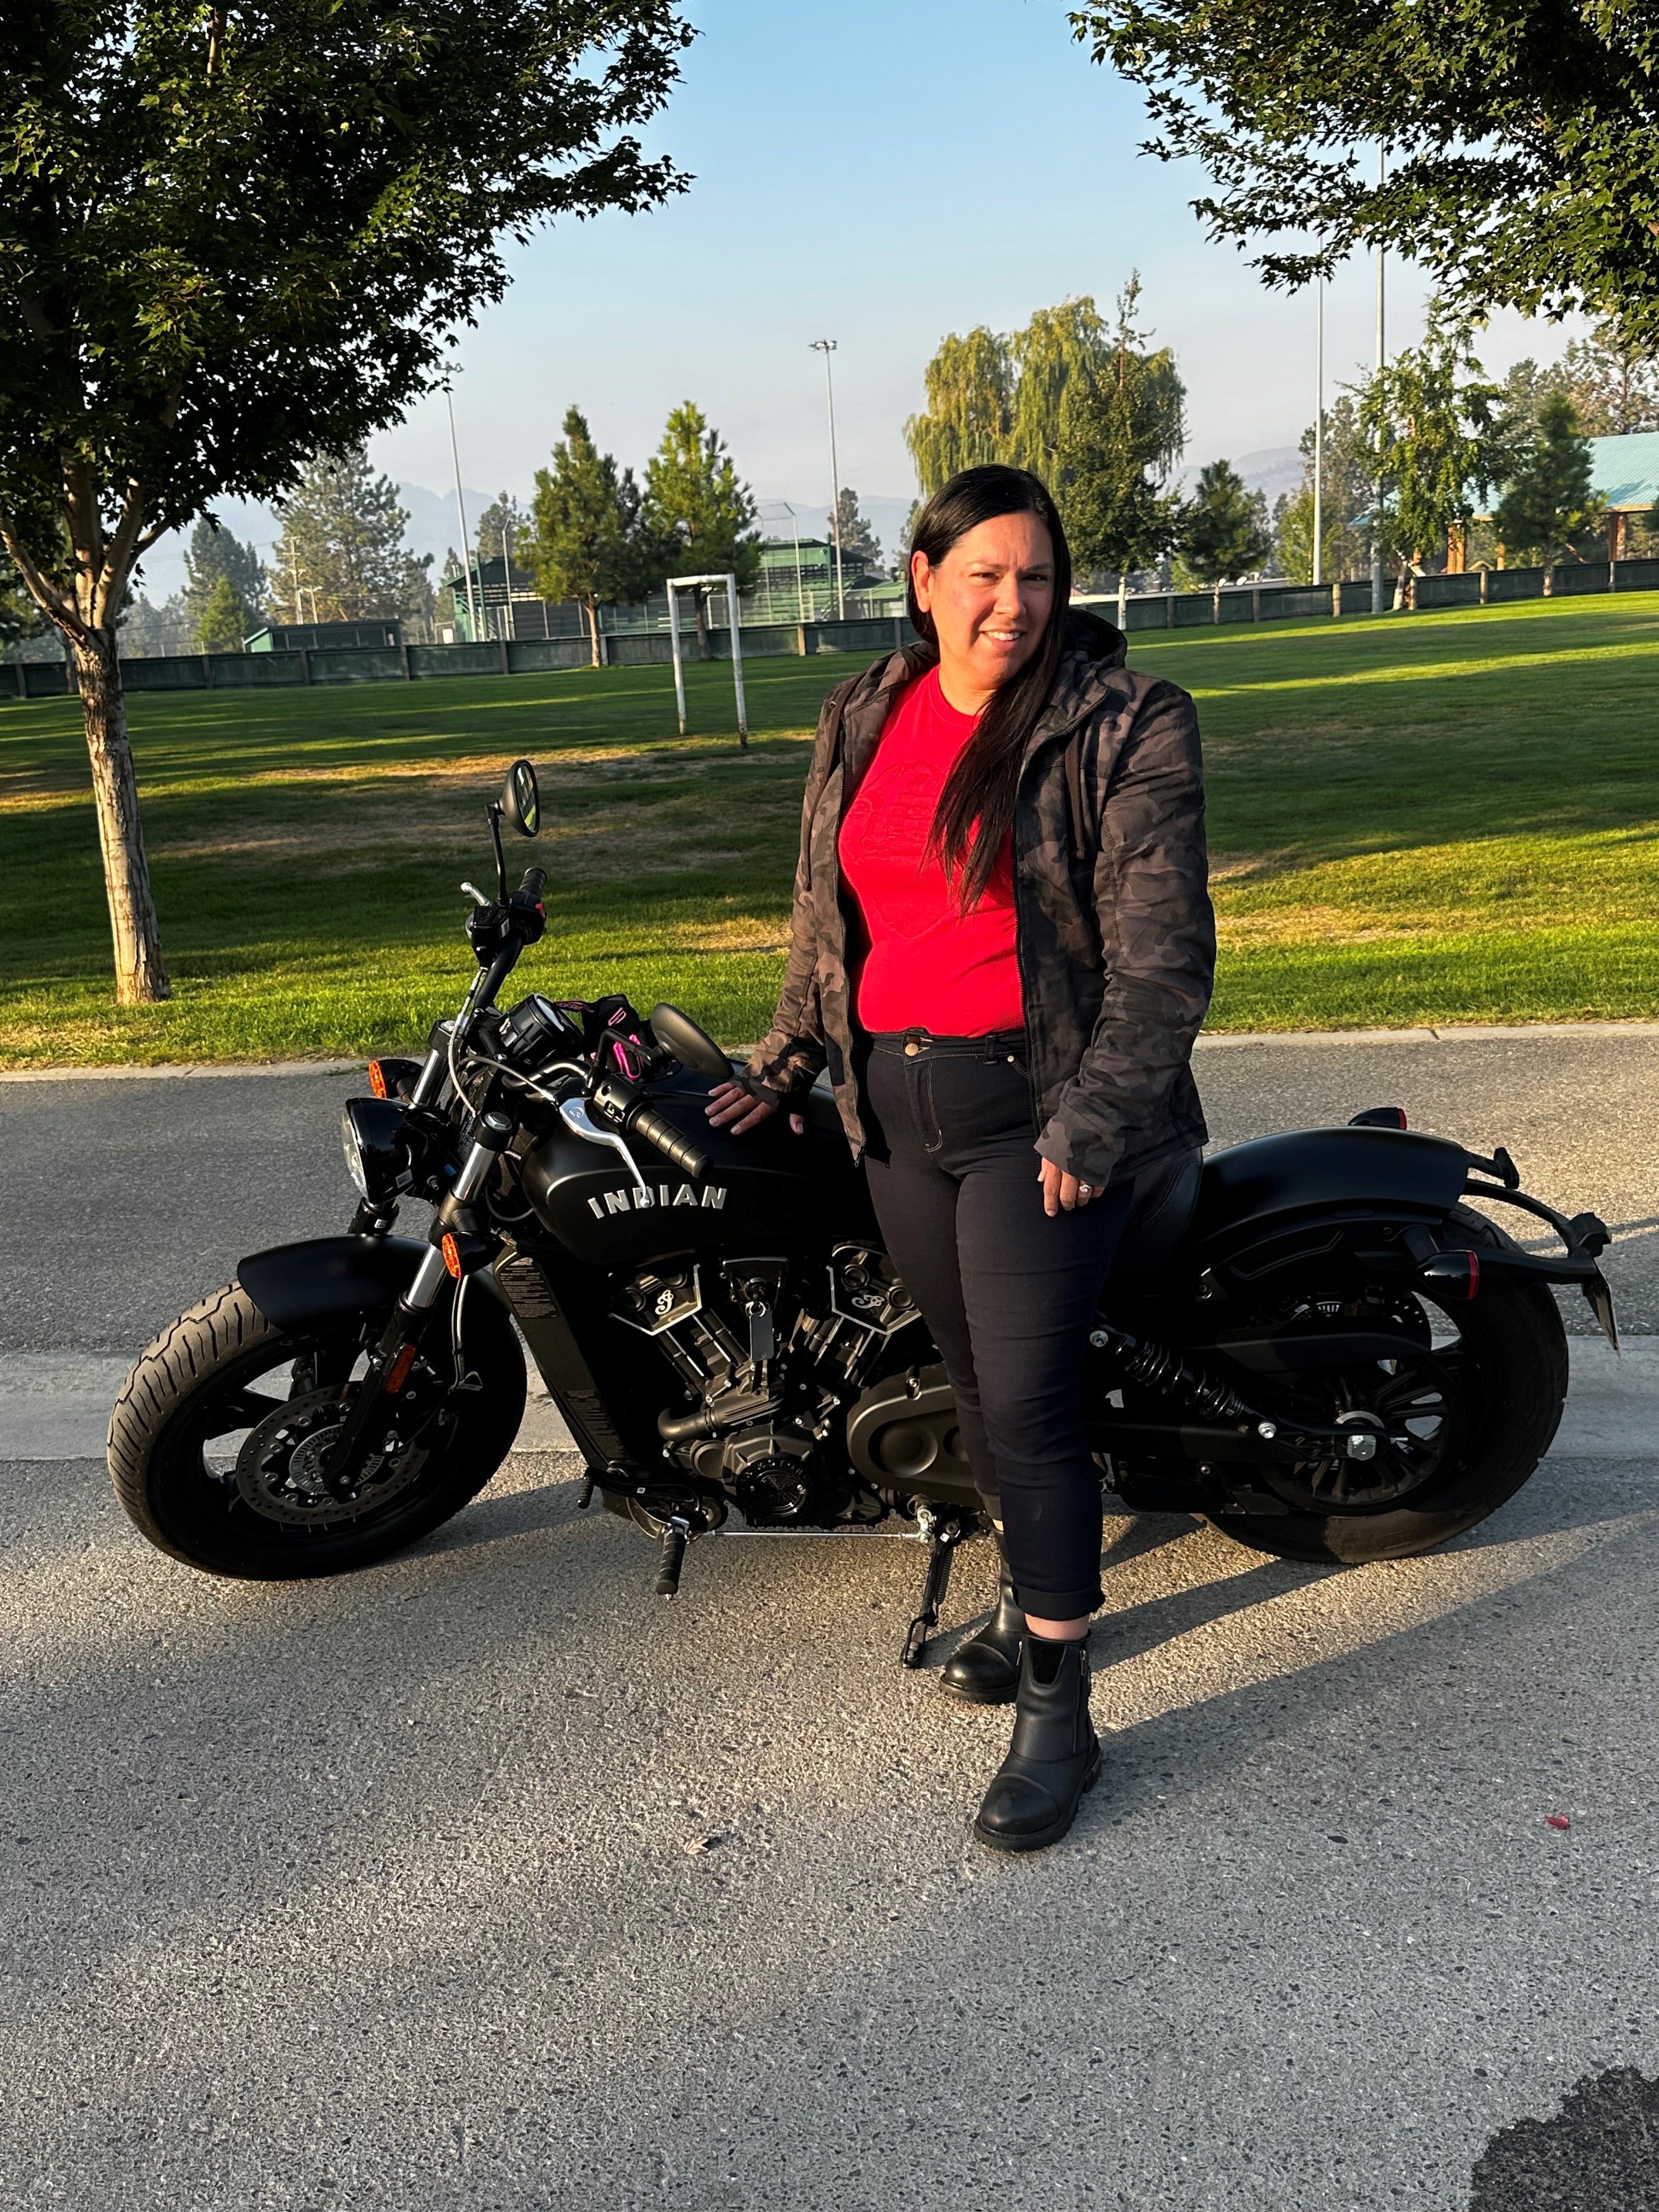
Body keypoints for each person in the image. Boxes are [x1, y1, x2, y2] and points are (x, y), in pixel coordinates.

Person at [706, 465, 1215, 1852]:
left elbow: (1164, 962)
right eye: (983, 575)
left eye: (1037, 577)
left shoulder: (1125, 722)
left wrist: (1093, 1123)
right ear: (922, 579)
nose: (1013, 603)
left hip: (1035, 1115)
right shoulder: (867, 709)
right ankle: (1016, 1597)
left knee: (1036, 1411)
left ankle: (1061, 1710)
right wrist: (790, 1057)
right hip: (894, 1110)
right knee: (976, 1390)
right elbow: (827, 911)